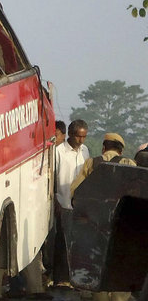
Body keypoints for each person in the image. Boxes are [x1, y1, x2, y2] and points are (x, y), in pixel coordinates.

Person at [71, 132, 137, 301]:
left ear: (103, 147)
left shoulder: (92, 163)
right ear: (121, 150)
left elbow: (76, 191)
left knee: (97, 263)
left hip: (96, 223)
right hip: (122, 225)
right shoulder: (129, 164)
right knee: (122, 263)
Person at [49, 119, 89, 287]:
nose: (81, 140)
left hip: (79, 204)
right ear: (71, 135)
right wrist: (54, 201)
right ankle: (61, 278)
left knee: (77, 243)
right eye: (79, 137)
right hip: (63, 201)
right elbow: (52, 176)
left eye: (84, 137)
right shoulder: (58, 151)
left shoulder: (85, 151)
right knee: (62, 241)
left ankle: (74, 279)